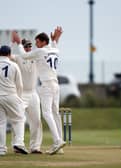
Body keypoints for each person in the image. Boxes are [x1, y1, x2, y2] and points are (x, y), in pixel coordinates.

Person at [12, 27, 66, 155]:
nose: (35, 45)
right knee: (55, 113)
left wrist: (19, 43)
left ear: (42, 42)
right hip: (56, 85)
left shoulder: (40, 51)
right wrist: (56, 39)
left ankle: (58, 141)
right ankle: (59, 144)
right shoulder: (55, 50)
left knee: (47, 114)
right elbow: (53, 45)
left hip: (47, 86)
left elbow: (24, 55)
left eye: (37, 42)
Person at [11, 39, 43, 154]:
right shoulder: (18, 57)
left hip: (33, 93)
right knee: (19, 118)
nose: (28, 48)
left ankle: (35, 147)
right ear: (23, 48)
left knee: (37, 120)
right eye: (26, 46)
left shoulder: (35, 56)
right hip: (21, 93)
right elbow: (6, 56)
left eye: (30, 46)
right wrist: (13, 43)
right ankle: (17, 145)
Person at [0, 45, 28, 155]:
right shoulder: (14, 65)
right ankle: (19, 143)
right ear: (9, 54)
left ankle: (1, 149)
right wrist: (19, 99)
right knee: (20, 118)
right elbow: (19, 85)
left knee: (1, 123)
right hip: (11, 95)